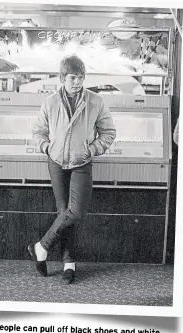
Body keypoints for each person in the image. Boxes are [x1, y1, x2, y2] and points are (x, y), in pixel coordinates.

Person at [31, 54, 116, 284]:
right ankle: (69, 264)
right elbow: (38, 131)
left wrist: (93, 149)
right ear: (62, 78)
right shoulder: (50, 102)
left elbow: (108, 132)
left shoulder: (96, 101)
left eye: (81, 77)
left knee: (74, 213)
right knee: (64, 214)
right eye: (72, 77)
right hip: (56, 162)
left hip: (81, 162)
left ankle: (41, 247)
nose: (77, 82)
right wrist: (46, 147)